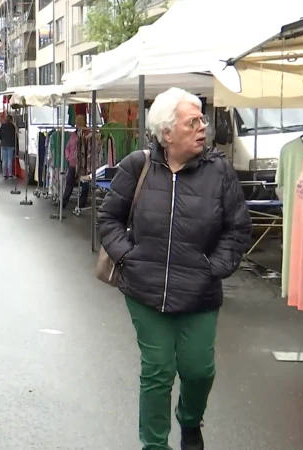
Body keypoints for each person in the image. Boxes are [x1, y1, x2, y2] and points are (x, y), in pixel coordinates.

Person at [97, 87, 251, 450]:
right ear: (167, 133)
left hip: (199, 293)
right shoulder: (138, 166)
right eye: (192, 122)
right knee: (157, 372)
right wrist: (127, 257)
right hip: (145, 291)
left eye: (202, 120)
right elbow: (109, 218)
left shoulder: (220, 172)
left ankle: (190, 418)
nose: (202, 127)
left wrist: (214, 267)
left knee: (199, 371)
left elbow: (238, 228)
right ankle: (154, 445)